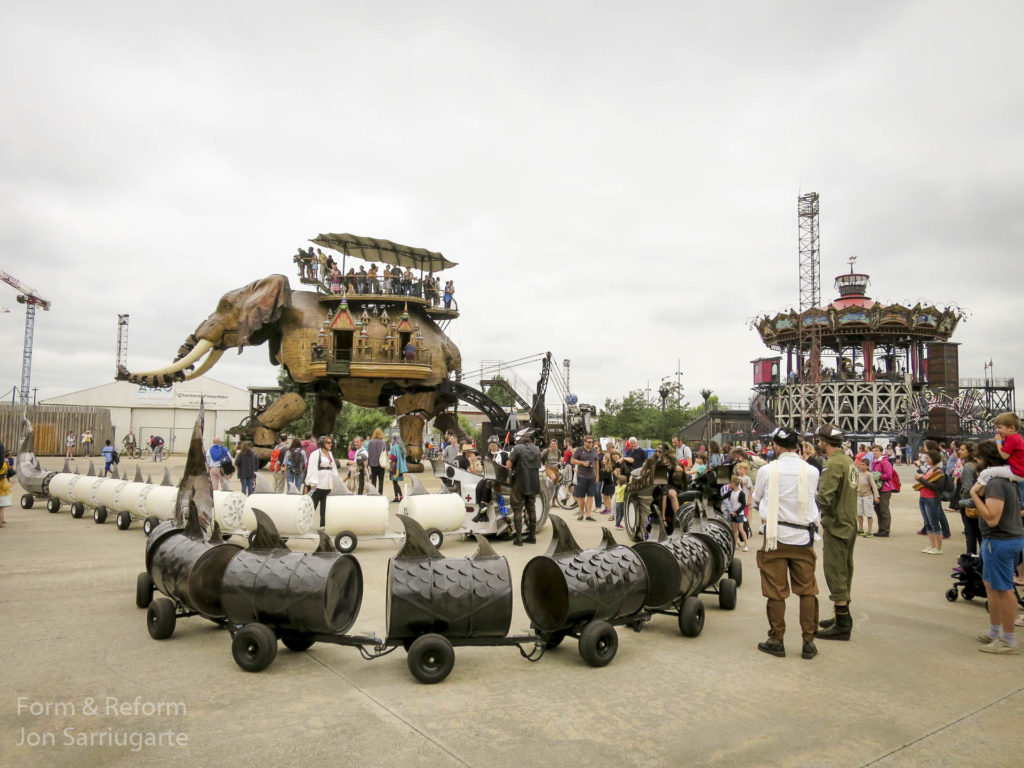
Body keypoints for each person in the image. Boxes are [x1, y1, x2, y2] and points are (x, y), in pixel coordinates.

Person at [751, 426, 821, 660]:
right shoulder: (811, 471)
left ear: (777, 446)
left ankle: (776, 639)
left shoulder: (767, 470)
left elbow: (756, 500)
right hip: (803, 538)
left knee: (776, 591)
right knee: (807, 590)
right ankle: (808, 642)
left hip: (775, 537)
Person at [969, 440, 1024, 654]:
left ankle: (1008, 640)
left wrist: (974, 495)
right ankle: (994, 632)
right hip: (1003, 539)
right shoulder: (1006, 480)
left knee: (1003, 589)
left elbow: (992, 518)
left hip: (999, 540)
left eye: (978, 457)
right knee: (992, 586)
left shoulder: (996, 483)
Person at [814, 423, 859, 642]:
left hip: (837, 525)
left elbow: (825, 498)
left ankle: (842, 624)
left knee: (835, 570)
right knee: (845, 568)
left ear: (824, 442)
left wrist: (822, 512)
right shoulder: (849, 462)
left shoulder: (832, 464)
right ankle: (841, 616)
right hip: (849, 522)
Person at [975, 412, 1024, 504]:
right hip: (1016, 470)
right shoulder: (1017, 438)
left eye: (1000, 427)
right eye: (996, 427)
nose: (997, 430)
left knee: (986, 472)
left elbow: (1004, 455)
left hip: (1015, 471)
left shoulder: (1013, 439)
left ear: (1012, 428)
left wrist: (998, 442)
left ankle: (978, 495)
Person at [509, 428, 542, 545]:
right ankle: (532, 536)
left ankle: (519, 538)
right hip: (534, 482)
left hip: (520, 482)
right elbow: (539, 465)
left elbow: (509, 464)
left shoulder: (517, 448)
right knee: (531, 508)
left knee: (517, 509)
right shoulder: (537, 449)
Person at [915, 448, 947, 555]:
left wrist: (921, 479)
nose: (926, 459)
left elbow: (936, 487)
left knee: (934, 523)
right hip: (923, 498)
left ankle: (939, 548)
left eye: (928, 458)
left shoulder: (939, 471)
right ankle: (932, 546)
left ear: (933, 458)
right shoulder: (930, 469)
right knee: (928, 523)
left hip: (932, 499)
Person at [953, 442, 981, 555]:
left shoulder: (968, 466)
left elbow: (968, 487)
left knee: (970, 532)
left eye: (963, 450)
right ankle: (980, 557)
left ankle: (970, 556)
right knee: (978, 532)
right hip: (978, 501)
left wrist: (962, 501)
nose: (959, 451)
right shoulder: (977, 464)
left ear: (970, 452)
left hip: (969, 502)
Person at [307, 436, 341, 527]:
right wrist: (313, 483)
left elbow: (334, 468)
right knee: (312, 505)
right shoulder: (315, 454)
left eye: (331, 443)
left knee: (325, 507)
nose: (330, 444)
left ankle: (323, 525)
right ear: (322, 444)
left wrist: (336, 481)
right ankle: (306, 523)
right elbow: (312, 468)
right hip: (318, 484)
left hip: (328, 484)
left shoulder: (330, 454)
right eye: (328, 443)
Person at [571, 434, 599, 521]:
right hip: (582, 476)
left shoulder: (594, 450)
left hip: (592, 476)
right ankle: (581, 513)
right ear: (584, 442)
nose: (591, 443)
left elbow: (596, 463)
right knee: (581, 496)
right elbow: (572, 461)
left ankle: (588, 515)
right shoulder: (579, 450)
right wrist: (582, 463)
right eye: (589, 442)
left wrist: (597, 475)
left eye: (592, 442)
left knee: (590, 496)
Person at [870, 445, 896, 538]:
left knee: (883, 510)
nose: (874, 452)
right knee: (878, 509)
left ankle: (885, 530)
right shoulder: (875, 462)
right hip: (877, 489)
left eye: (876, 451)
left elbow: (889, 475)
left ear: (881, 452)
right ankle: (881, 529)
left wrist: (878, 476)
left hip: (884, 489)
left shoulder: (885, 462)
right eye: (873, 451)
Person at [724, 474, 748, 551]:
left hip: (739, 514)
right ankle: (736, 543)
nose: (729, 485)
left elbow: (743, 504)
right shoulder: (730, 492)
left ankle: (746, 544)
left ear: (733, 484)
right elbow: (723, 497)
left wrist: (737, 512)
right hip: (732, 514)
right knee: (734, 530)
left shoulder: (741, 493)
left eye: (730, 484)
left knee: (741, 529)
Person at [855, 458, 878, 537]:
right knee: (859, 513)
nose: (861, 466)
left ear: (867, 466)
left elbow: (873, 486)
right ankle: (860, 529)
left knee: (869, 514)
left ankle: (869, 531)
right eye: (860, 464)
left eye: (863, 465)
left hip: (867, 496)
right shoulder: (858, 474)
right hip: (859, 496)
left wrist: (876, 496)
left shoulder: (869, 474)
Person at [367, 428, 387, 495]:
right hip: (381, 464)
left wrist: (369, 464)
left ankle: (374, 494)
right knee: (381, 481)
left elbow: (369, 453)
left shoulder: (371, 442)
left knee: (373, 480)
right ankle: (380, 494)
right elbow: (386, 452)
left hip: (373, 464)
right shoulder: (383, 442)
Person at [388, 436, 407, 502]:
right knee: (395, 482)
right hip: (400, 467)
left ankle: (400, 497)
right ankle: (397, 497)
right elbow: (405, 456)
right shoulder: (402, 447)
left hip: (395, 467)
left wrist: (389, 456)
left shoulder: (394, 447)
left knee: (395, 482)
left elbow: (393, 458)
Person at [0, 454, 12, 528]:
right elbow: (4, 487)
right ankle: (1, 522)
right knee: (1, 509)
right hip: (1, 496)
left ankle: (2, 520)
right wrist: (11, 484)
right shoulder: (3, 479)